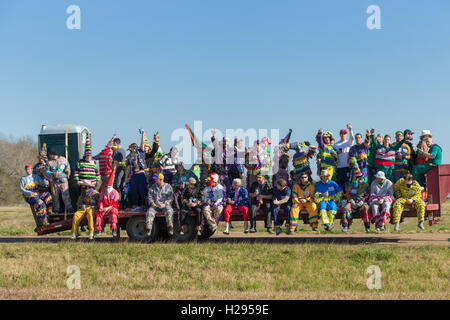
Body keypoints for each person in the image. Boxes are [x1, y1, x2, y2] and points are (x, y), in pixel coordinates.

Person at [340, 158, 370, 232]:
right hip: (352, 203)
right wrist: (351, 201)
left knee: (365, 208)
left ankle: (367, 226)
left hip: (361, 203)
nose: (359, 179)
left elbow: (367, 195)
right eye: (357, 177)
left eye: (360, 177)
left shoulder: (365, 186)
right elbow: (347, 194)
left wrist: (362, 201)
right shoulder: (350, 186)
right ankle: (345, 226)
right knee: (346, 209)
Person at [45, 148, 74, 213]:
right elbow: (46, 171)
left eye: (50, 155)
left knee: (65, 194)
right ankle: (56, 209)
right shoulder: (49, 162)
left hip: (63, 180)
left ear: (53, 154)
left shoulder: (63, 159)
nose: (49, 156)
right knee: (55, 195)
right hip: (54, 181)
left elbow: (68, 167)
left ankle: (69, 208)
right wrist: (52, 174)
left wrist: (68, 172)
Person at [124, 135, 148, 210]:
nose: (134, 148)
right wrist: (126, 178)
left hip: (141, 173)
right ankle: (134, 204)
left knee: (142, 190)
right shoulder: (129, 156)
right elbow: (128, 167)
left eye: (135, 147)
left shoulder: (140, 152)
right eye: (132, 147)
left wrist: (143, 134)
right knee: (134, 190)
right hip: (133, 175)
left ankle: (143, 204)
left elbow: (142, 143)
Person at [95, 167, 120, 237]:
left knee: (113, 213)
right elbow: (100, 200)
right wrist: (100, 206)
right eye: (105, 187)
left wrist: (108, 208)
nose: (106, 188)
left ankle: (113, 230)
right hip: (104, 208)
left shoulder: (115, 193)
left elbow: (115, 204)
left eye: (108, 187)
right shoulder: (103, 191)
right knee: (99, 213)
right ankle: (99, 229)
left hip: (111, 207)